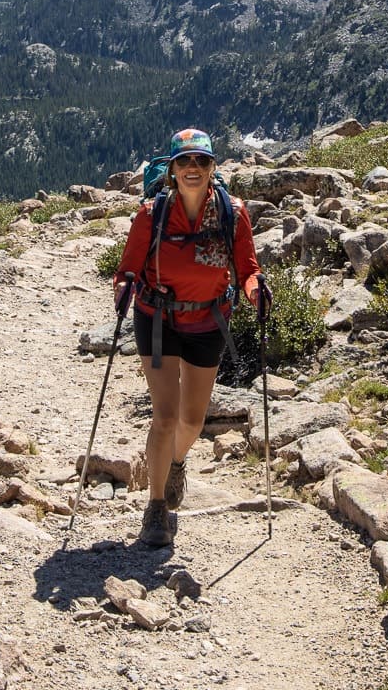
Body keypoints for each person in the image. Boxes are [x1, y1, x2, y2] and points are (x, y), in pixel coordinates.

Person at [113, 128, 261, 548]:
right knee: (164, 416)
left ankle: (177, 462)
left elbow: (247, 268)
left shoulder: (233, 212)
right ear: (172, 169)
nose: (192, 169)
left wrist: (255, 291)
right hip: (157, 321)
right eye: (184, 162)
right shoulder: (151, 215)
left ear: (213, 167)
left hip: (208, 322)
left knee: (193, 420)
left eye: (201, 161)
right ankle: (156, 507)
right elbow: (127, 269)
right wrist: (123, 288)